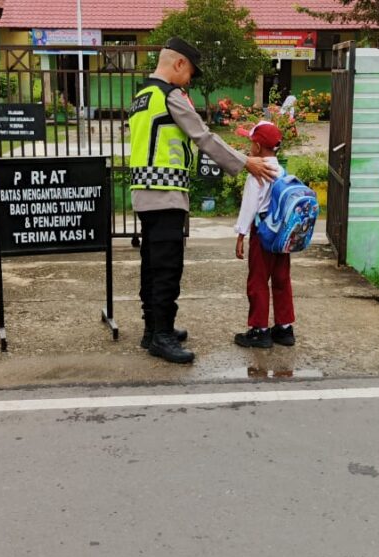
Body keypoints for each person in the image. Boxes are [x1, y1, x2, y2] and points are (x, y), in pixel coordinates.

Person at [129, 37, 277, 364]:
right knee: (167, 268)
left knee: (151, 265)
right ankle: (162, 337)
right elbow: (204, 137)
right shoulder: (170, 96)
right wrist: (245, 162)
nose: (190, 80)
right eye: (191, 73)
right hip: (165, 195)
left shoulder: (142, 95)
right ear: (178, 63)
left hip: (142, 194)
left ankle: (152, 329)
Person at [233, 121, 295, 349]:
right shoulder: (282, 170)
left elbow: (249, 207)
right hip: (283, 235)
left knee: (258, 280)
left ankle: (259, 330)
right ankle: (285, 328)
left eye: (251, 143)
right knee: (281, 279)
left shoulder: (257, 172)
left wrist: (241, 235)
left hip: (263, 233)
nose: (249, 148)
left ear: (258, 147)